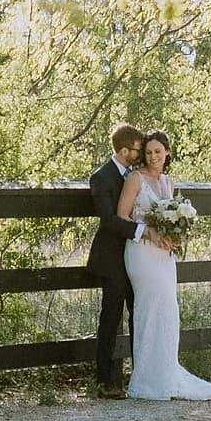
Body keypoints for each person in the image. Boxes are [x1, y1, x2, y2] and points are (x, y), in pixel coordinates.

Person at [119, 130, 211, 402]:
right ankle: (146, 380)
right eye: (148, 152)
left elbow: (171, 218)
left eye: (158, 151)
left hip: (164, 255)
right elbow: (121, 217)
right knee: (148, 309)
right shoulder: (135, 179)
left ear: (167, 152)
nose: (153, 157)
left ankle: (164, 374)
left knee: (168, 309)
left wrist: (174, 236)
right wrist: (149, 233)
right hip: (142, 253)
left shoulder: (169, 182)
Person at [87, 123, 156, 397]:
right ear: (124, 150)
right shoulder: (101, 178)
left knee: (139, 316)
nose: (140, 155)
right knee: (111, 318)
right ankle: (106, 381)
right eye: (137, 150)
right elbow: (109, 220)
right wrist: (143, 231)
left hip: (138, 259)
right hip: (112, 258)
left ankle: (142, 377)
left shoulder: (137, 174)